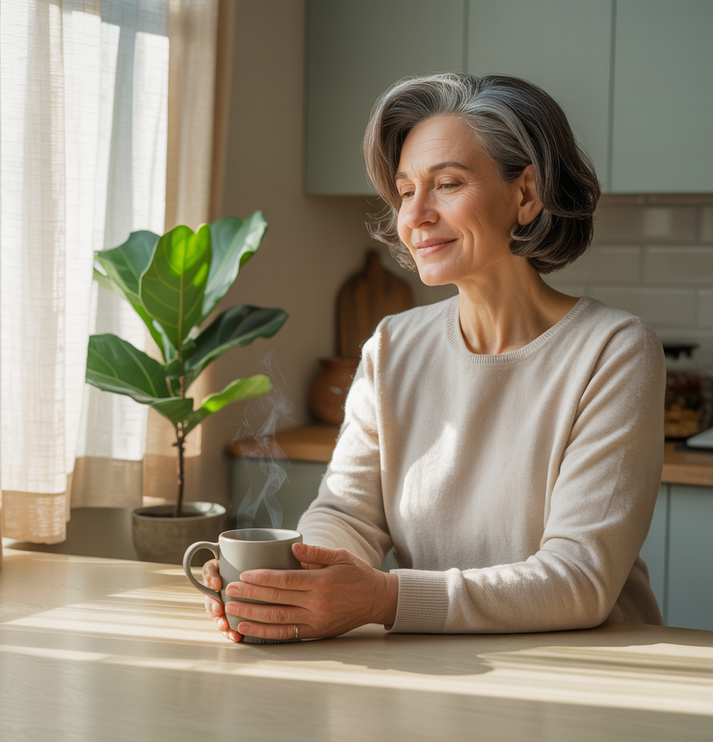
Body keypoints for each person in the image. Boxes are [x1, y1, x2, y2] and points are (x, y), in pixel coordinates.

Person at [203, 73, 666, 642]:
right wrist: (297, 580)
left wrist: (385, 597)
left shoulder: (614, 350)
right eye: (404, 190)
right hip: (437, 662)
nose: (415, 214)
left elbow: (579, 578)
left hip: (586, 676)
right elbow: (347, 515)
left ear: (525, 194)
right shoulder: (393, 346)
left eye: (446, 183)